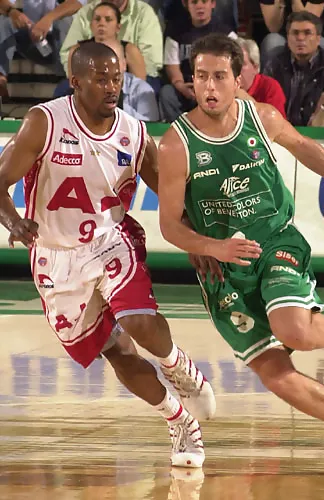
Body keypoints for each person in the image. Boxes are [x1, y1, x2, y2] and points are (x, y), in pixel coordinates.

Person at [157, 33, 324, 478]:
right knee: (274, 375)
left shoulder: (261, 117)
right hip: (224, 269)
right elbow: (169, 225)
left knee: (294, 330)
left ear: (239, 79)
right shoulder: (175, 144)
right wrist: (213, 247)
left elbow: (303, 146)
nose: (209, 86)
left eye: (219, 76)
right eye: (201, 76)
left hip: (275, 241)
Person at [0, 41, 215, 467]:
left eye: (117, 78)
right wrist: (14, 222)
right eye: (101, 79)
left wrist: (197, 240)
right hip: (55, 257)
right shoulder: (44, 122)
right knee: (118, 352)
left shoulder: (133, 132)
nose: (112, 86)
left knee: (137, 320)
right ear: (76, 82)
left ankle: (177, 365)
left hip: (109, 239)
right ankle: (178, 419)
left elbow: (170, 195)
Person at [264, 11, 324, 126]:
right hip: (280, 129)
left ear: (318, 39)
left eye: (307, 33)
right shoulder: (274, 64)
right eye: (295, 33)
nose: (300, 38)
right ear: (288, 38)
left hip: (318, 131)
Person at [0, 0, 82, 98]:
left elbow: (78, 3)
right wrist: (12, 11)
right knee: (5, 21)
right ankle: (1, 77)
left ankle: (68, 79)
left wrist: (48, 19)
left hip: (62, 44)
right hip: (32, 38)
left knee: (63, 22)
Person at [235, 37, 286, 117]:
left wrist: (250, 104)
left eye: (242, 64)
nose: (236, 69)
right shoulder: (222, 86)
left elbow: (279, 122)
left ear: (256, 67)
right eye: (233, 64)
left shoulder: (270, 87)